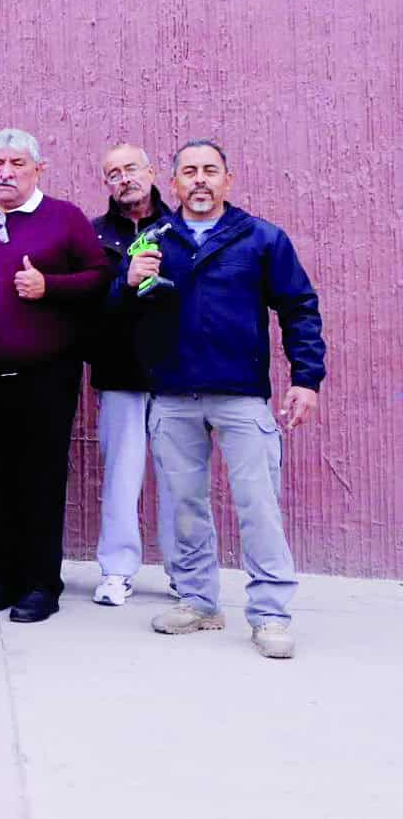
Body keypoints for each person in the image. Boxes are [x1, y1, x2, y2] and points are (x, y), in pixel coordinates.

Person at [121, 140, 325, 659]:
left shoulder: (261, 239)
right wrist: (125, 285)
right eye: (189, 172)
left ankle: (271, 614)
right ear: (174, 184)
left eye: (211, 170)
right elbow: (120, 315)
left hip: (240, 395)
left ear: (228, 180)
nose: (200, 180)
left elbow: (299, 307)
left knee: (258, 507)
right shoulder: (154, 240)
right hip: (173, 396)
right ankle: (198, 601)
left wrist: (306, 378)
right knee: (184, 505)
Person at [0, 128, 109, 623]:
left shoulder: (65, 218)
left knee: (39, 480)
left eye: (17, 163)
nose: (6, 172)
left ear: (39, 168)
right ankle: (2, 578)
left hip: (44, 378)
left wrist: (49, 286)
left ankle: (40, 584)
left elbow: (100, 277)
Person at [87, 143, 174, 607]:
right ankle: (118, 570)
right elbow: (87, 309)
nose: (124, 179)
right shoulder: (94, 236)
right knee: (121, 477)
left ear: (152, 171)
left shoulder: (180, 230)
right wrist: (125, 282)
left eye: (131, 169)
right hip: (119, 373)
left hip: (176, 375)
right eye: (113, 172)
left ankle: (186, 574)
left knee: (181, 477)